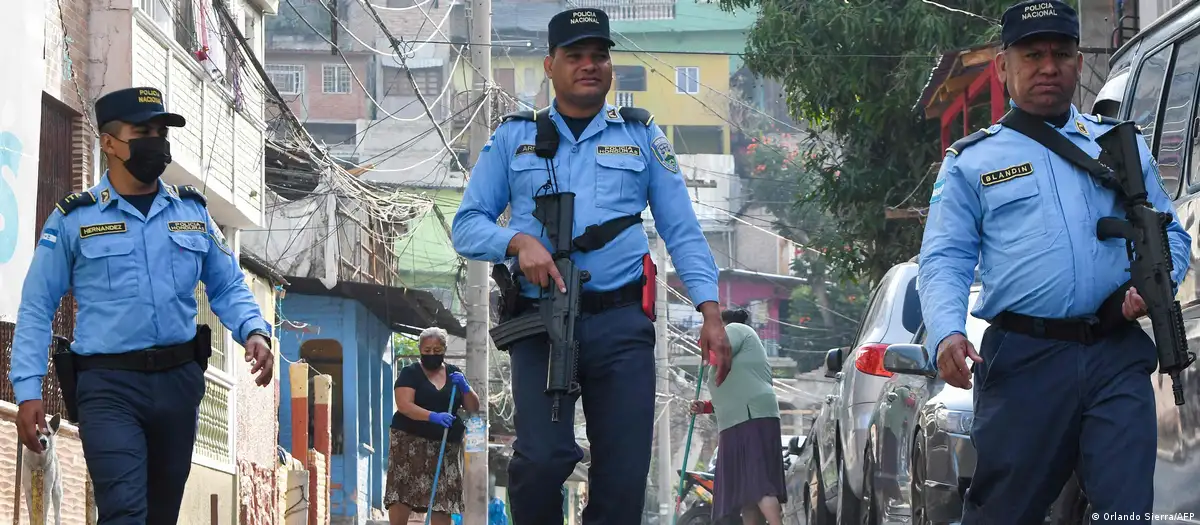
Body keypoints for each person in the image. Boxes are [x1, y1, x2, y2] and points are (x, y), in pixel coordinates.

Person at [451, 7, 732, 524]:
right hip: (541, 323)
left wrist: (710, 311)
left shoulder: (643, 135)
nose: (589, 65)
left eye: (598, 56)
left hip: (621, 323)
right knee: (541, 459)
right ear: (549, 65)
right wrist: (517, 243)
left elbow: (682, 230)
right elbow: (466, 225)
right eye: (575, 56)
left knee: (623, 479)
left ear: (610, 66)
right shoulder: (515, 137)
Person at [917, 1, 1192, 522]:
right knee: (1005, 512)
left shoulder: (1120, 147)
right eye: (1033, 54)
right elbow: (945, 258)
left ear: (1077, 61)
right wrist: (947, 333)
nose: (1049, 67)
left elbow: (1171, 234)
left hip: (1115, 354)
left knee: (1126, 511)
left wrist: (1152, 286)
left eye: (1062, 54)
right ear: (1004, 66)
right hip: (1026, 362)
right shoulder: (972, 162)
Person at [9, 86, 275, 524]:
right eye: (142, 131)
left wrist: (254, 330)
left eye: (160, 131)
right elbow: (38, 305)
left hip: (178, 384)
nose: (156, 141)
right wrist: (27, 389)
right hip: (108, 387)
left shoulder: (191, 212)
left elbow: (226, 285)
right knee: (125, 514)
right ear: (109, 142)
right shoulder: (75, 219)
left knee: (159, 515)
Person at [690, 309, 786, 525]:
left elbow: (715, 349)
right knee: (747, 495)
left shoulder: (737, 330)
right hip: (736, 420)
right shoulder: (730, 355)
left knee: (758, 483)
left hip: (751, 416)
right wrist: (705, 407)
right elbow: (731, 393)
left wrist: (705, 339)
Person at [386, 327, 481, 525]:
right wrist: (433, 417)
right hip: (410, 444)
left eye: (437, 351)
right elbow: (404, 405)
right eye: (427, 350)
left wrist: (465, 387)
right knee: (403, 493)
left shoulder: (455, 373)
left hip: (444, 446)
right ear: (420, 349)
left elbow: (473, 407)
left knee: (442, 499)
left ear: (444, 350)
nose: (432, 354)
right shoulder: (410, 373)